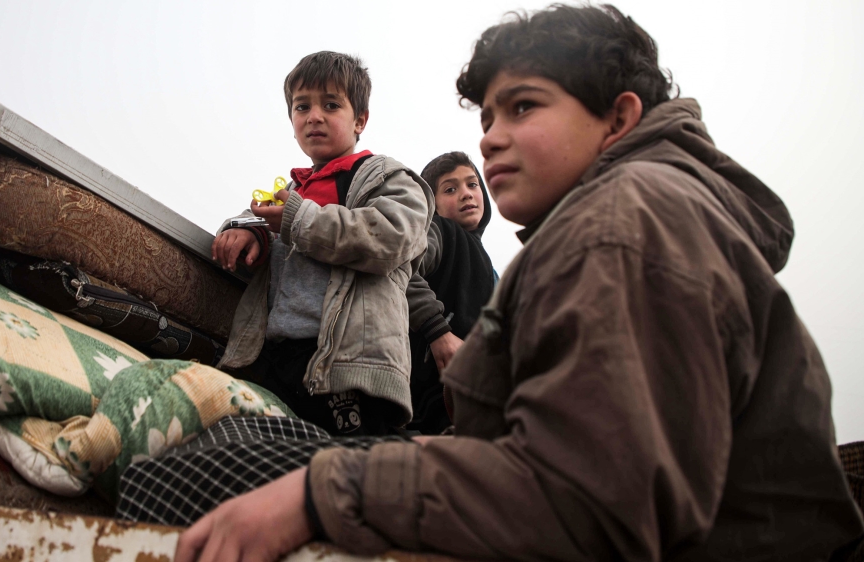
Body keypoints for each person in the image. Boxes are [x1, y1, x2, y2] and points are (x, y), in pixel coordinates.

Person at [176, 6, 864, 561]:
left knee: (177, 479)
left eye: (523, 108)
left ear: (617, 120)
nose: (488, 140)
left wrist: (321, 493)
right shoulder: (607, 222)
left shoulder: (625, 224)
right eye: (486, 118)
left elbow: (591, 500)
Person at [210, 51, 433, 437]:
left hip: (348, 366)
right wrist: (251, 232)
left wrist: (298, 219)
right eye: (302, 106)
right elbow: (266, 226)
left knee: (346, 478)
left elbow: (393, 235)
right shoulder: (293, 189)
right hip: (279, 358)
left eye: (331, 105)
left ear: (359, 120)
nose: (314, 116)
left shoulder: (386, 177)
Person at [406, 151, 495, 434]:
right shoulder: (438, 231)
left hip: (479, 394)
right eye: (451, 189)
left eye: (472, 184)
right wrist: (438, 330)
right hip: (435, 392)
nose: (466, 194)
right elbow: (401, 268)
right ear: (431, 205)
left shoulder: (490, 267)